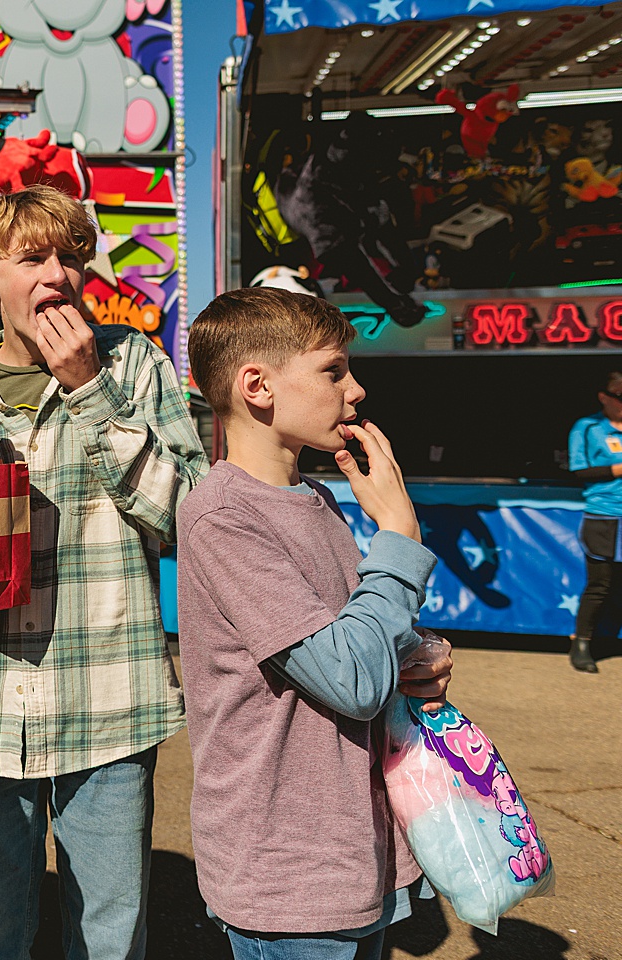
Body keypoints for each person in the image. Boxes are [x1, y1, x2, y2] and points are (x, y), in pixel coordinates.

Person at [0, 184, 208, 960]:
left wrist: (89, 391)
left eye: (68, 256)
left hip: (110, 701)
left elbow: (188, 517)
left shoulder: (136, 366)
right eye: (31, 257)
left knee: (109, 942)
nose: (55, 272)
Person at [177, 286, 454, 960]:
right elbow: (352, 679)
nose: (354, 390)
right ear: (257, 386)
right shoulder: (222, 517)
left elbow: (351, 636)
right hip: (289, 877)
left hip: (352, 855)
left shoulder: (316, 498)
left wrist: (418, 650)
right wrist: (397, 535)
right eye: (333, 370)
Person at [565, 371, 622, 673]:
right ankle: (582, 644)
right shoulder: (587, 428)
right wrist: (618, 469)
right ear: (604, 397)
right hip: (604, 514)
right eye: (620, 396)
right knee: (600, 585)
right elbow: (579, 470)